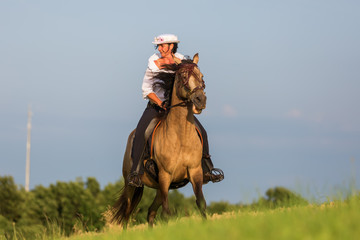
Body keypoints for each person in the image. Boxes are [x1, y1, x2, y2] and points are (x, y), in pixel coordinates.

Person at [128, 34, 224, 187]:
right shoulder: (153, 63)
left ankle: (208, 169)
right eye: (158, 46)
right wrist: (160, 103)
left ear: (171, 46)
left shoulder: (181, 61)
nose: (160, 49)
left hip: (178, 108)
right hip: (156, 106)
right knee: (141, 133)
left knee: (202, 132)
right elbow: (146, 90)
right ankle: (136, 172)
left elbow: (189, 81)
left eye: (162, 46)